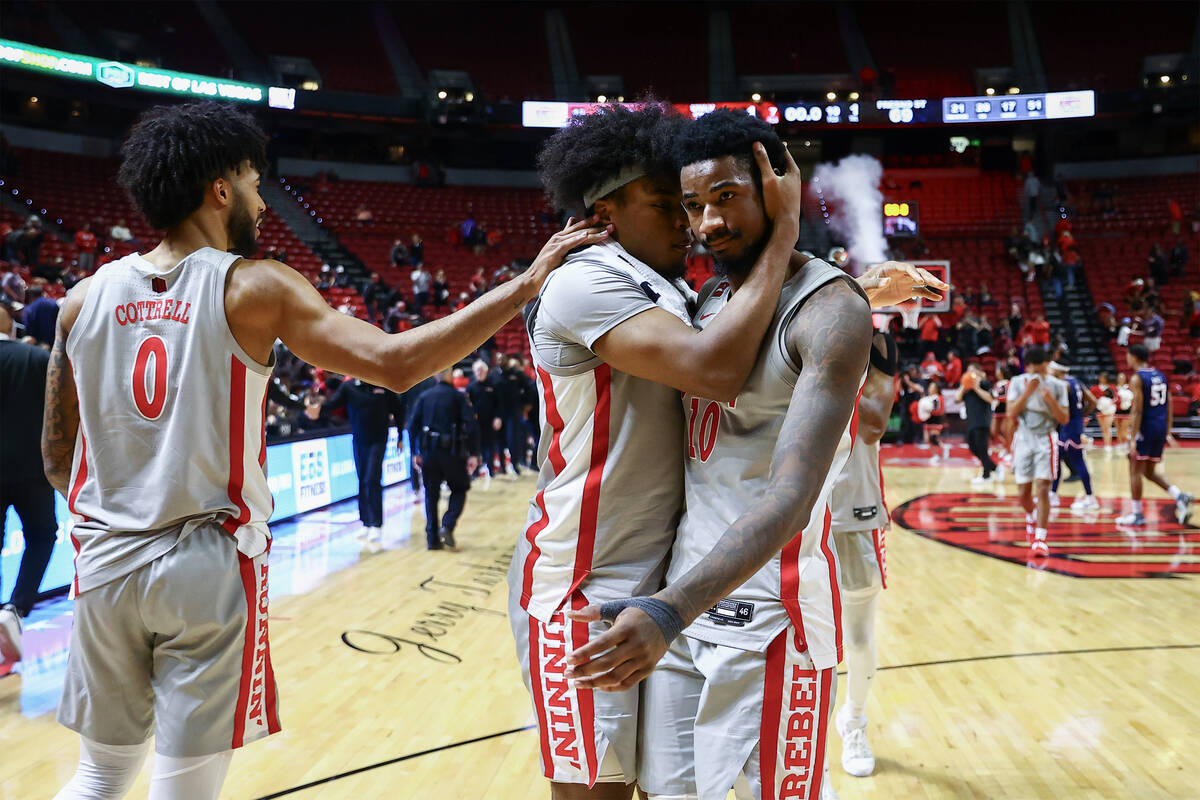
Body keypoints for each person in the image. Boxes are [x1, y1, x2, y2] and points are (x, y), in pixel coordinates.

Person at [39, 100, 602, 800]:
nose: (261, 201)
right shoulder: (253, 285)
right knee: (185, 788)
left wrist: (117, 519)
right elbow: (395, 363)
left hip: (101, 559)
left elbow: (58, 453)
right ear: (220, 189)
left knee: (99, 774)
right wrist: (523, 286)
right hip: (202, 561)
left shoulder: (81, 299)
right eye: (252, 182)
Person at [561, 109, 944, 800]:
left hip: (771, 615)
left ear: (776, 188)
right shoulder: (708, 299)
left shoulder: (832, 311)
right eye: (692, 205)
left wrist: (667, 610)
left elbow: (790, 498)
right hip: (681, 605)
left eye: (727, 197)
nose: (706, 223)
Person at [827, 331, 896, 780]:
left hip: (856, 513)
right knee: (805, 643)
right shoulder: (786, 328)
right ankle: (815, 764)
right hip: (795, 512)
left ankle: (854, 721)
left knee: (858, 637)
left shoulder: (877, 344)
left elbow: (872, 424)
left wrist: (841, 365)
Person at [0, 306, 57, 669]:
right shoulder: (37, 357)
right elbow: (59, 411)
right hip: (31, 469)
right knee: (41, 536)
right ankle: (15, 609)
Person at [1116, 344, 1193, 526]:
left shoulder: (1137, 378)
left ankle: (1137, 514)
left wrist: (1132, 438)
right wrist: (1168, 430)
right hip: (1159, 426)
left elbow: (1137, 410)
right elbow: (1170, 402)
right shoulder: (1160, 375)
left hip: (1145, 427)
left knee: (1134, 468)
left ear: (1133, 357)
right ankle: (1179, 495)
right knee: (1149, 471)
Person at [321, 376, 404, 542]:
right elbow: (332, 405)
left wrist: (401, 435)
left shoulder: (383, 385)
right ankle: (366, 522)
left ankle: (377, 523)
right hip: (359, 440)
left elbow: (398, 410)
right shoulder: (349, 387)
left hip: (379, 440)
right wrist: (314, 408)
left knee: (372, 478)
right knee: (361, 479)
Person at [1006, 346, 1069, 557]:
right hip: (1023, 438)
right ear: (1029, 367)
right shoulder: (1016, 383)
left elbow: (1064, 419)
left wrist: (1050, 400)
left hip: (1047, 438)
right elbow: (1010, 413)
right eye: (1037, 370)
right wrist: (1028, 392)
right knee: (1023, 493)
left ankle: (1040, 539)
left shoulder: (1058, 386)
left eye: (1043, 370)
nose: (1040, 374)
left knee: (1043, 488)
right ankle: (1031, 514)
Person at [407, 369, 480, 550]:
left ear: (434, 376)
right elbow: (471, 425)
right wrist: (474, 453)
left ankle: (432, 539)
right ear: (451, 376)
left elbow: (412, 425)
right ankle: (447, 525)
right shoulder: (457, 397)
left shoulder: (425, 397)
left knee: (431, 495)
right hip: (452, 453)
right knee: (460, 488)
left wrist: (416, 451)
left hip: (429, 453)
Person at [1047, 362, 1098, 511]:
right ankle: (1052, 494)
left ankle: (1090, 498)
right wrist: (1080, 416)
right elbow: (1093, 401)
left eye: (1051, 368)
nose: (1049, 371)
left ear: (1057, 370)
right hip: (1072, 426)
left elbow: (1056, 409)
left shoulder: (1062, 385)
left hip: (1068, 428)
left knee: (1078, 461)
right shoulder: (1075, 382)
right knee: (1057, 461)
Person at [958, 362, 997, 484]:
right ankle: (994, 467)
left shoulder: (984, 384)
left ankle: (987, 475)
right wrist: (964, 386)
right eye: (968, 371)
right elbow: (956, 398)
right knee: (973, 447)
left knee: (982, 448)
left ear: (980, 372)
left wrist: (976, 387)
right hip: (971, 422)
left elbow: (991, 399)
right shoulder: (967, 389)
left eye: (973, 371)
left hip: (982, 421)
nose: (970, 374)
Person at [466, 359, 501, 475]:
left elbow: (498, 404)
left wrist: (497, 417)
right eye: (477, 371)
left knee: (490, 445)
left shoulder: (493, 385)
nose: (479, 373)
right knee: (476, 446)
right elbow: (468, 405)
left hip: (490, 420)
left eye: (481, 370)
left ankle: (491, 469)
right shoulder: (470, 387)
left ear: (486, 371)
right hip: (476, 422)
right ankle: (476, 472)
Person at [1092, 371, 1117, 452]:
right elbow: (1091, 398)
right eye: (1100, 377)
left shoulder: (1112, 387)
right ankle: (1106, 444)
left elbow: (1116, 398)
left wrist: (1109, 403)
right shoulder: (1095, 388)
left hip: (1109, 410)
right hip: (1100, 410)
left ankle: (1108, 445)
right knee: (1103, 428)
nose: (1101, 379)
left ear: (1106, 379)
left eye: (1103, 377)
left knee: (1107, 427)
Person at [1115, 372, 1134, 451]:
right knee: (1118, 429)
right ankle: (1120, 444)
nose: (1120, 379)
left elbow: (1133, 399)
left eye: (1122, 378)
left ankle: (1126, 444)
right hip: (1117, 410)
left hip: (1127, 411)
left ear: (1125, 379)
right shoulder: (1115, 388)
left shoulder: (1129, 388)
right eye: (1119, 378)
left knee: (1124, 428)